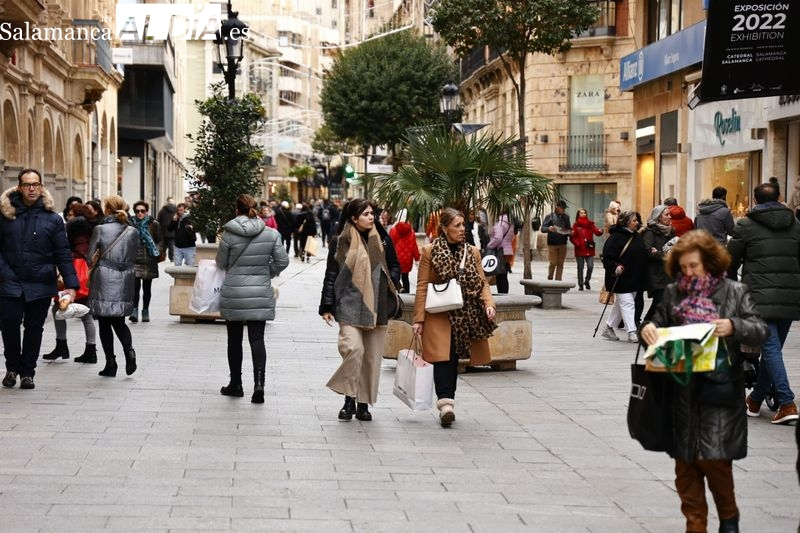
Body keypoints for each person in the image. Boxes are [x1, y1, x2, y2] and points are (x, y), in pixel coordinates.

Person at [639, 230, 769, 533]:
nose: (688, 273)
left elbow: (760, 329)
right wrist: (649, 329)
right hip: (679, 392)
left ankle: (729, 519)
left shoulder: (734, 292)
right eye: (683, 267)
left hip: (720, 391)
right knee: (685, 467)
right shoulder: (673, 293)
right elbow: (657, 320)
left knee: (715, 462)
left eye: (694, 266)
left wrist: (733, 325)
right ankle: (695, 525)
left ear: (709, 262)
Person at [412, 207, 497, 427]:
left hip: (466, 313)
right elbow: (422, 285)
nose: (462, 230)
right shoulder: (429, 251)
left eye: (463, 225)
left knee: (455, 359)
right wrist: (418, 319)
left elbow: (482, 282)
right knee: (443, 358)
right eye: (457, 225)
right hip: (439, 313)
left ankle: (447, 400)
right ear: (445, 228)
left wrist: (489, 304)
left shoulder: (473, 252)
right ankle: (445, 404)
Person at [319, 199, 401, 422]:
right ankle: (348, 398)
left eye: (372, 213)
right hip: (348, 304)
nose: (371, 217)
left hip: (378, 306)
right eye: (365, 214)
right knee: (354, 350)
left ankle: (362, 404)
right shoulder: (340, 241)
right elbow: (331, 275)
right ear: (353, 218)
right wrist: (327, 305)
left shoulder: (383, 239)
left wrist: (391, 281)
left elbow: (395, 265)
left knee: (371, 358)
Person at [728, 182, 800, 424]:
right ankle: (756, 399)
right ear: (779, 197)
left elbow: (730, 261)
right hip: (790, 295)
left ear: (755, 200)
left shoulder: (746, 225)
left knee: (770, 349)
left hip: (758, 296)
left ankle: (787, 403)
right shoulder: (795, 224)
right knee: (774, 349)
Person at [0, 169, 79, 389]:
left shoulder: (52, 219)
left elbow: (62, 253)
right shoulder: (5, 215)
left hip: (40, 282)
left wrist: (71, 285)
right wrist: (4, 271)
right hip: (10, 281)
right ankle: (12, 368)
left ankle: (28, 373)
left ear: (42, 187)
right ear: (19, 187)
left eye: (35, 184)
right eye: (27, 184)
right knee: (10, 324)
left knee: (35, 328)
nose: (32, 188)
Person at [217, 194, 289, 403]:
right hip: (259, 291)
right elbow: (282, 261)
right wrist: (266, 272)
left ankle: (236, 384)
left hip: (234, 292)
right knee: (257, 339)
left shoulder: (229, 233)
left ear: (236, 210)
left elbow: (221, 262)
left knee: (234, 339)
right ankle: (259, 385)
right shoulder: (271, 234)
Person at [86, 196, 140, 378]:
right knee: (119, 321)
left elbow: (89, 257)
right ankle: (129, 351)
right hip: (125, 278)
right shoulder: (133, 231)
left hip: (104, 278)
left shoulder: (100, 229)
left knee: (104, 323)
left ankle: (111, 363)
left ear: (107, 209)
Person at [41, 203, 98, 363]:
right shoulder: (85, 227)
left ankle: (81, 348)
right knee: (60, 308)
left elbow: (83, 250)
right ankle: (70, 346)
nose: (68, 216)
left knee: (84, 312)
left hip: (77, 271)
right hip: (81, 271)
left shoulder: (77, 229)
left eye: (71, 213)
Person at [599, 210, 648, 343]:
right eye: (634, 221)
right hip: (620, 278)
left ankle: (608, 327)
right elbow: (607, 258)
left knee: (621, 305)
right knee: (628, 304)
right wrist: (615, 267)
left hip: (635, 278)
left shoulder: (636, 236)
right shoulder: (615, 238)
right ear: (626, 222)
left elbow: (641, 253)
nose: (636, 223)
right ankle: (631, 332)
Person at [130, 201, 164, 323]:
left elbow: (160, 240)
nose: (140, 213)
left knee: (147, 288)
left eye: (142, 211)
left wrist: (157, 251)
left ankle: (145, 310)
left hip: (149, 259)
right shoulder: (130, 224)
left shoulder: (154, 224)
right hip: (134, 260)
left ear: (146, 212)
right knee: (135, 287)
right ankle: (134, 310)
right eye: (137, 211)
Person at [641, 205, 674, 321]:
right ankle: (646, 323)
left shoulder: (670, 232)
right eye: (667, 214)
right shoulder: (650, 233)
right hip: (655, 274)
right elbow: (649, 253)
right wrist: (665, 254)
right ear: (659, 217)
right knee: (658, 301)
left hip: (668, 273)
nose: (670, 217)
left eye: (670, 214)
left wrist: (660, 252)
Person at [569, 208, 602, 291]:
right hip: (580, 249)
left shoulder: (590, 224)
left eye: (584, 213)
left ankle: (587, 280)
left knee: (590, 266)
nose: (583, 214)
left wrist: (600, 231)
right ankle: (580, 284)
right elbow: (572, 237)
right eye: (581, 213)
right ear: (578, 215)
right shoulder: (576, 225)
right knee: (580, 267)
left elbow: (597, 232)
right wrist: (577, 244)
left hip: (589, 248)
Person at [389, 209, 420, 294]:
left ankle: (396, 293)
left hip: (396, 259)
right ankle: (407, 294)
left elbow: (390, 245)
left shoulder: (393, 230)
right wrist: (417, 258)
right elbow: (414, 247)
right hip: (407, 259)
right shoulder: (411, 231)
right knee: (405, 277)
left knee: (396, 277)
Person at [541, 200, 571, 280]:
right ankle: (550, 277)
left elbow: (569, 229)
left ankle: (558, 280)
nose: (563, 210)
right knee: (553, 262)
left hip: (563, 243)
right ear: (557, 207)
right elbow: (543, 229)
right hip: (552, 243)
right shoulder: (549, 216)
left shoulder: (566, 217)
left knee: (560, 263)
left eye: (564, 208)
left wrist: (568, 232)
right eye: (562, 208)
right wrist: (549, 228)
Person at [486, 211, 514, 294]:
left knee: (500, 276)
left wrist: (489, 246)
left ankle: (502, 294)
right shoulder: (509, 223)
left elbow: (498, 238)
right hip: (507, 251)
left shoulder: (500, 223)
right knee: (504, 275)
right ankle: (504, 293)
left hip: (500, 252)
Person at [169, 202, 196, 267]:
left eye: (181, 210)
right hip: (178, 247)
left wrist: (192, 227)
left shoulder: (189, 219)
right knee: (177, 267)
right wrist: (174, 221)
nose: (179, 212)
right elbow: (169, 229)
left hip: (189, 247)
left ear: (185, 210)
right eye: (178, 210)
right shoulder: (176, 219)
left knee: (190, 267)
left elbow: (196, 229)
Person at [156, 197, 177, 262]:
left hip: (163, 231)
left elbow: (158, 220)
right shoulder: (176, 210)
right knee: (171, 245)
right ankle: (172, 258)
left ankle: (163, 257)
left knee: (164, 245)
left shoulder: (162, 210)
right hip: (172, 231)